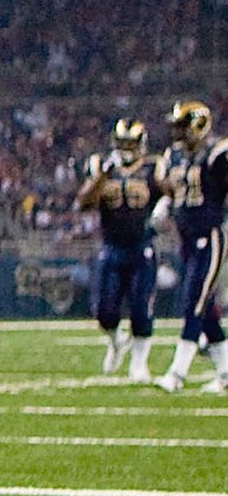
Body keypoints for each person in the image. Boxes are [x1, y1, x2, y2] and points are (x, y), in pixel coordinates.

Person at [78, 118, 158, 382]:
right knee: (105, 312)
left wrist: (164, 207)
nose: (125, 148)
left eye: (130, 143)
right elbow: (83, 203)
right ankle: (116, 342)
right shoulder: (102, 166)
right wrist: (101, 177)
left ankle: (139, 364)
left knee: (140, 310)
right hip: (111, 247)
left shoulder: (152, 167)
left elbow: (168, 192)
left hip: (141, 247)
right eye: (122, 143)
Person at [155, 101, 228, 393]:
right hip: (186, 236)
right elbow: (166, 182)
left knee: (193, 302)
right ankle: (225, 373)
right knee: (206, 309)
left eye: (183, 125)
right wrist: (168, 202)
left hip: (210, 235)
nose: (178, 132)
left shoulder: (217, 154)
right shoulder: (174, 156)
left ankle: (177, 374)